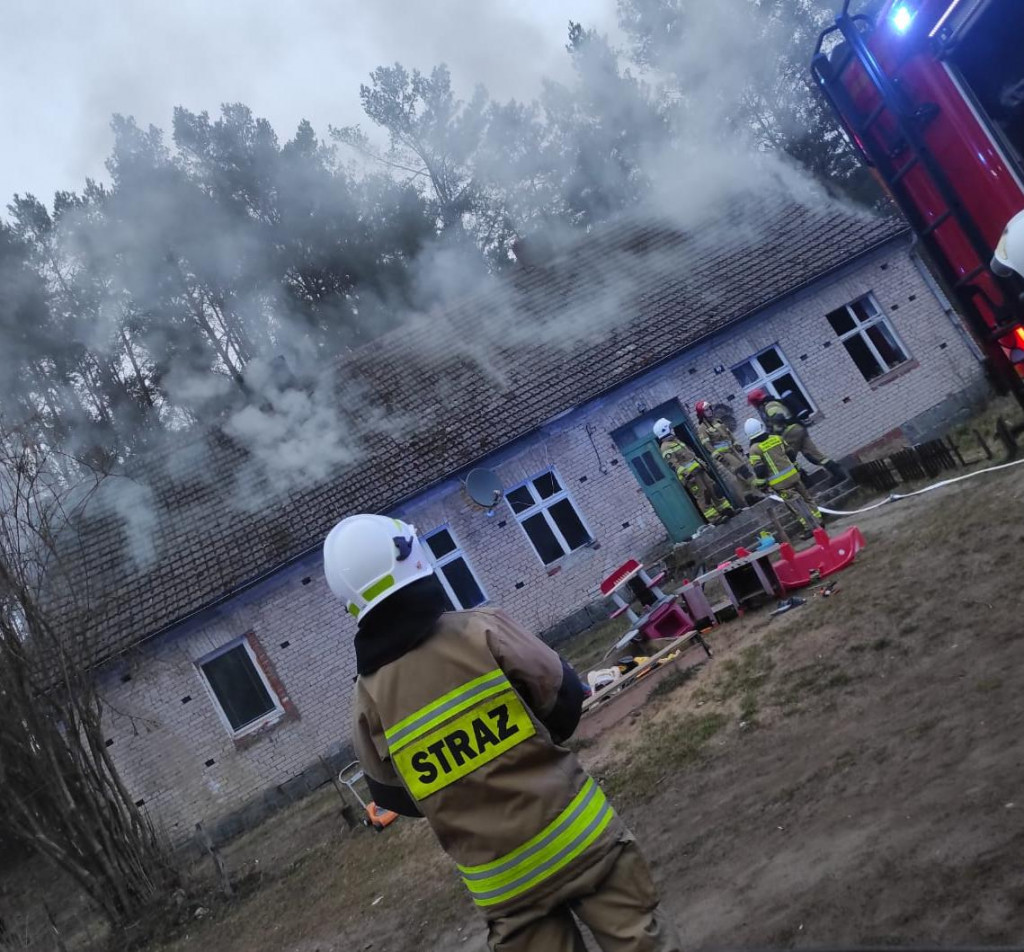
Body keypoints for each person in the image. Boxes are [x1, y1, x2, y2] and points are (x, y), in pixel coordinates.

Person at [324, 514, 683, 952]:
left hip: (504, 886)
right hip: (582, 840)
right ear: (412, 557)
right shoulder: (483, 629)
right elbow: (565, 706)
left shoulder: (367, 701)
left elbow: (398, 800)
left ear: (350, 600)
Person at [746, 388, 847, 485]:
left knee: (787, 457)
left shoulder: (769, 406)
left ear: (756, 401)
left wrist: (774, 435)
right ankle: (839, 473)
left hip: (790, 432)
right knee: (813, 455)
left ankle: (806, 482)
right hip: (799, 429)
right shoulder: (773, 402)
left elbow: (778, 420)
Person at [744, 418, 822, 537]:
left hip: (781, 484)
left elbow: (760, 470)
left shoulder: (754, 449)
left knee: (796, 507)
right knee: (807, 498)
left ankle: (810, 528)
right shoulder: (776, 438)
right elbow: (791, 454)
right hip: (794, 476)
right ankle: (819, 522)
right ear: (761, 427)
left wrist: (760, 484)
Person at [653, 417, 734, 526]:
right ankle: (715, 518)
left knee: (713, 489)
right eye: (669, 427)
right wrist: (687, 475)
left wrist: (701, 463)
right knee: (703, 496)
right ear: (664, 430)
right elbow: (674, 464)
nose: (671, 429)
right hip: (691, 477)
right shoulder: (665, 447)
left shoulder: (676, 441)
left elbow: (691, 455)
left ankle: (726, 510)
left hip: (699, 471)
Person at [694, 399, 761, 504]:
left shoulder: (718, 421)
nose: (710, 411)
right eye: (706, 410)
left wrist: (738, 446)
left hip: (732, 450)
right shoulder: (702, 429)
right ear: (702, 413)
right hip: (724, 455)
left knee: (739, 476)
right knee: (742, 470)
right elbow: (707, 445)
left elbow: (729, 435)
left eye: (710, 409)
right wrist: (718, 456)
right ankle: (759, 490)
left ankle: (750, 498)